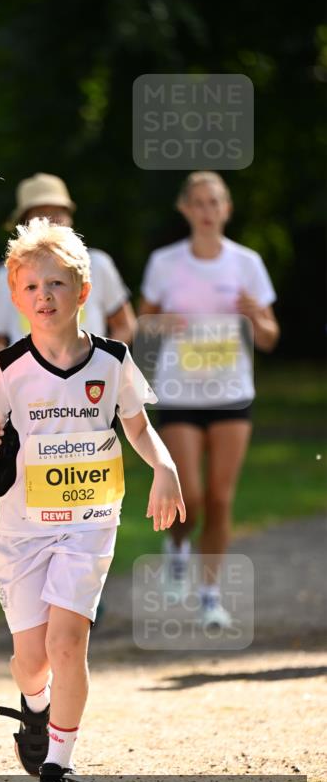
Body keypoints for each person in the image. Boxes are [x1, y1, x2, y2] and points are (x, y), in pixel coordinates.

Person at [0, 219, 185, 782]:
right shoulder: (7, 368)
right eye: (32, 287)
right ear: (17, 297)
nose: (45, 296)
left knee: (68, 644)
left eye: (57, 284)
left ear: (83, 292)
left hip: (89, 523)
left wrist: (164, 468)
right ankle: (35, 706)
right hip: (22, 532)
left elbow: (138, 426)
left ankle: (58, 767)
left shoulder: (112, 360)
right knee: (31, 661)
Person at [138, 171, 279, 630]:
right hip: (179, 392)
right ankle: (178, 546)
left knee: (220, 498)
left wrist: (255, 317)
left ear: (227, 209)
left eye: (214, 202)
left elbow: (270, 337)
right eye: (197, 202)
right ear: (184, 209)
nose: (206, 210)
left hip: (231, 393)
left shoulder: (246, 263)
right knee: (190, 497)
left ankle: (210, 595)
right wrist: (161, 324)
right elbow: (141, 328)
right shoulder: (164, 263)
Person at [0, 173, 136, 357]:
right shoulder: (7, 273)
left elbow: (125, 325)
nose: (50, 221)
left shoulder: (98, 264)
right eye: (40, 213)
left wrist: (101, 362)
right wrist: (13, 369)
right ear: (24, 223)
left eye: (57, 212)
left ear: (69, 218)